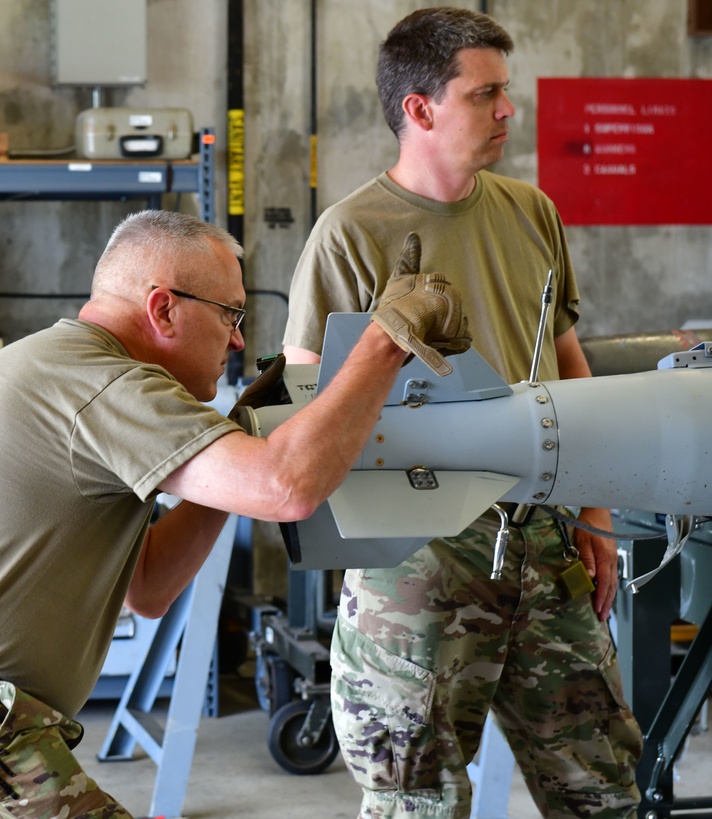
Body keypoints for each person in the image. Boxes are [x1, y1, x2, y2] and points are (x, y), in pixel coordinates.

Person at [0, 208, 469, 819]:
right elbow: (287, 487)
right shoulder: (103, 381)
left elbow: (150, 586)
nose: (238, 338)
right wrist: (384, 343)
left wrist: (242, 430)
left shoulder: (65, 367)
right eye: (231, 314)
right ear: (163, 308)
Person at [282, 7, 642, 819]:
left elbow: (568, 363)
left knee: (602, 784)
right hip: (419, 559)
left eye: (506, 91)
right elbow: (306, 407)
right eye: (486, 95)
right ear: (420, 108)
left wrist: (594, 508)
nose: (508, 110)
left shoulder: (531, 211)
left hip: (546, 537)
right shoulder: (350, 235)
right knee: (416, 795)